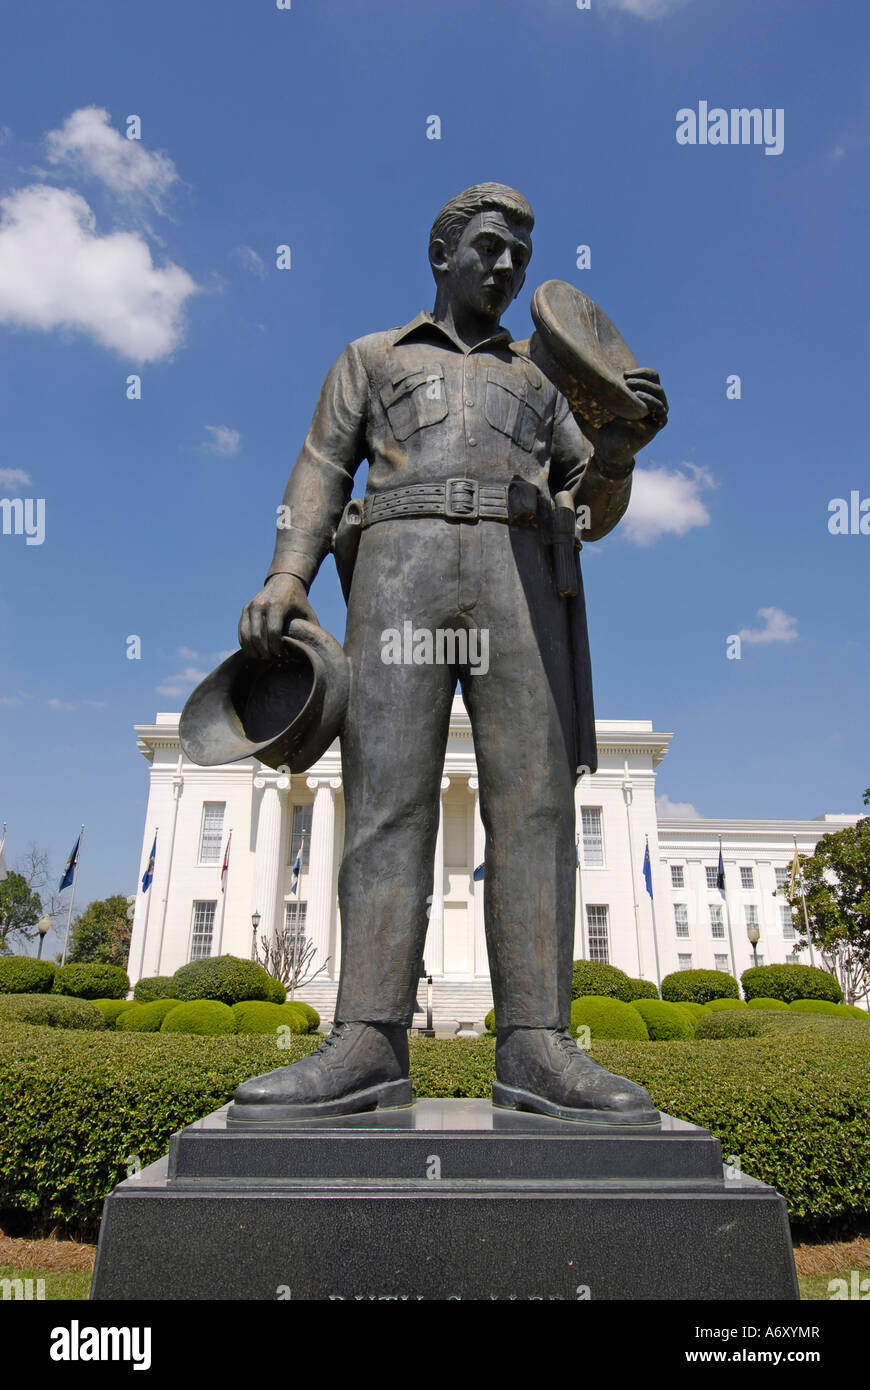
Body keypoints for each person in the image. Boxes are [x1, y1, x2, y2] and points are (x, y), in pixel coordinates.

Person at [232, 183, 668, 1124]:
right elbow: (318, 466)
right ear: (441, 254)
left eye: (519, 252)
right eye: (488, 245)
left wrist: (620, 449)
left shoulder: (544, 382)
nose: (506, 265)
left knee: (536, 804)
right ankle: (368, 1039)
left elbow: (588, 514)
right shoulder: (372, 357)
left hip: (521, 574)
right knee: (386, 797)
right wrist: (286, 576)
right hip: (399, 567)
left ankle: (538, 1045)